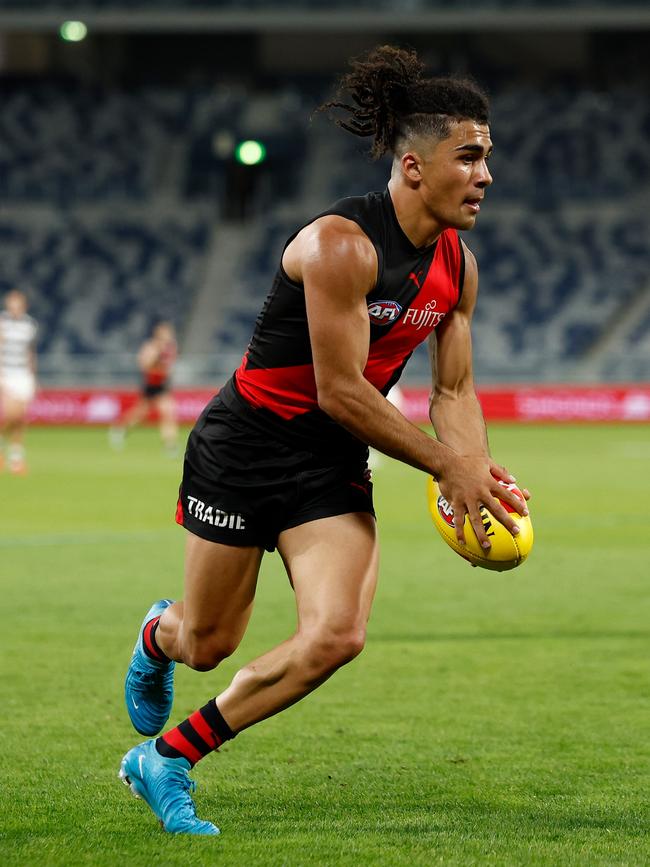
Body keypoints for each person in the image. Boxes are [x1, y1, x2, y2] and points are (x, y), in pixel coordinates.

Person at [119, 45, 530, 836]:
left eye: (488, 156)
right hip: (245, 447)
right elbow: (339, 390)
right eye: (469, 156)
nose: (485, 175)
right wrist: (448, 465)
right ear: (413, 167)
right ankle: (157, 633)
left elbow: (454, 391)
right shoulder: (341, 244)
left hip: (326, 464)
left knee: (338, 633)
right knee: (206, 643)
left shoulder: (459, 268)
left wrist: (472, 470)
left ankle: (167, 758)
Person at [110, 321, 179, 454]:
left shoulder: (171, 347)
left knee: (168, 413)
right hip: (150, 385)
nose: (168, 336)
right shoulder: (150, 347)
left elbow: (170, 366)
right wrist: (157, 357)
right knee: (140, 413)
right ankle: (120, 428)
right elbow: (144, 365)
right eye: (166, 334)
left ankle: (170, 445)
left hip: (163, 385)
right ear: (158, 335)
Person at [0, 289, 38, 475]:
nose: (15, 309)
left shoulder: (29, 324)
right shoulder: (2, 322)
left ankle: (16, 459)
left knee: (21, 419)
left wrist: (33, 375)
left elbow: (30, 352)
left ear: (24, 307)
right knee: (12, 415)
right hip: (6, 373)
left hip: (24, 375)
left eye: (18, 305)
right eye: (12, 305)